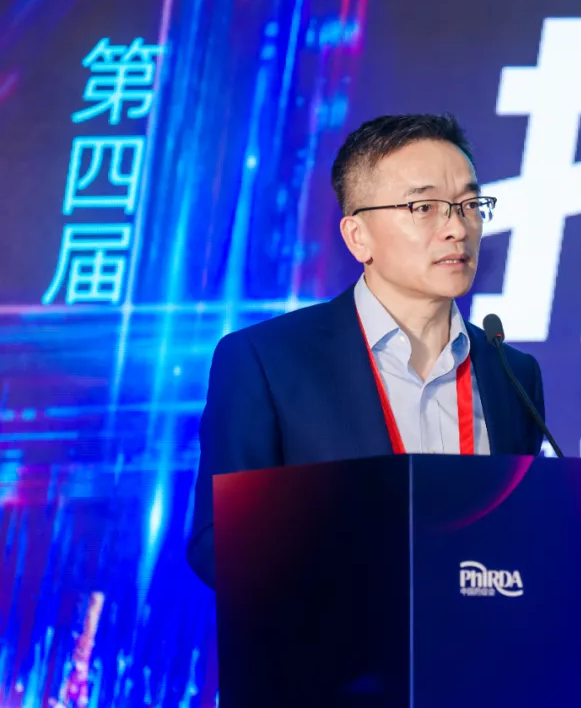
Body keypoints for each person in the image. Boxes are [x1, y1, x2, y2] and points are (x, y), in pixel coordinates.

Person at [187, 114, 547, 588]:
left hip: (478, 633)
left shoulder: (512, 374)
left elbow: (524, 534)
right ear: (358, 236)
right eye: (424, 207)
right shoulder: (265, 361)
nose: (457, 228)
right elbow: (219, 541)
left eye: (469, 204)